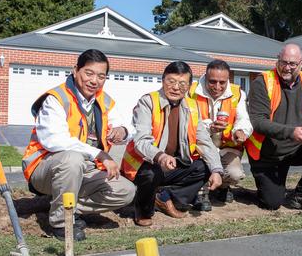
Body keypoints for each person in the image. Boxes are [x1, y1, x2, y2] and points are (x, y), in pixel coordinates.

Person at [22, 49, 136, 241]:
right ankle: (61, 222)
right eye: (89, 73)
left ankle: (65, 205)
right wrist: (100, 154)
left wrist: (122, 131)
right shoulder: (56, 99)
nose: (94, 81)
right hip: (44, 170)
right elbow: (54, 140)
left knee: (125, 191)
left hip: (83, 171)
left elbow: (127, 128)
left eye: (101, 76)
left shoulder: (104, 100)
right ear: (75, 70)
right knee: (72, 158)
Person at [121, 61, 223, 226]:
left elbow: (204, 141)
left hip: (172, 164)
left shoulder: (191, 106)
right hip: (144, 164)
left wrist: (217, 170)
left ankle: (164, 196)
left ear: (189, 86)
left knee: (203, 167)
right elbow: (141, 140)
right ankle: (143, 211)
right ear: (163, 80)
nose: (176, 87)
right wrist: (160, 156)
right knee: (151, 173)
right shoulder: (148, 102)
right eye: (171, 81)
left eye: (182, 83)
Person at [245, 43, 302, 213]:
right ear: (277, 61)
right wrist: (291, 132)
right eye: (283, 62)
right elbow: (257, 121)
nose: (287, 68)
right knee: (272, 203)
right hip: (268, 154)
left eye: (292, 64)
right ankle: (256, 192)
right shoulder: (262, 82)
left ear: (301, 64)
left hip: (298, 148)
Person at [189, 59, 252, 210]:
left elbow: (243, 118)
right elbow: (189, 123)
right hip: (199, 147)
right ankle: (200, 192)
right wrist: (209, 127)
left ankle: (223, 187)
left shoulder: (237, 93)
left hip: (226, 147)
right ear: (205, 76)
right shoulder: (191, 91)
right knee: (201, 166)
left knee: (235, 173)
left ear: (228, 79)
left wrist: (240, 131)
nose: (217, 87)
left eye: (222, 82)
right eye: (213, 82)